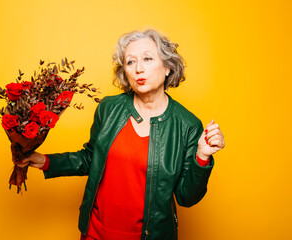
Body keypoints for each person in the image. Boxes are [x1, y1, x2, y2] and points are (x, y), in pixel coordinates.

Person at [18, 29, 225, 240]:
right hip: (96, 232)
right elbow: (91, 159)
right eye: (130, 62)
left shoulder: (187, 125)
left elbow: (186, 197)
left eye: (147, 58)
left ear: (168, 67)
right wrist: (45, 161)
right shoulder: (109, 108)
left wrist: (202, 157)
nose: (138, 69)